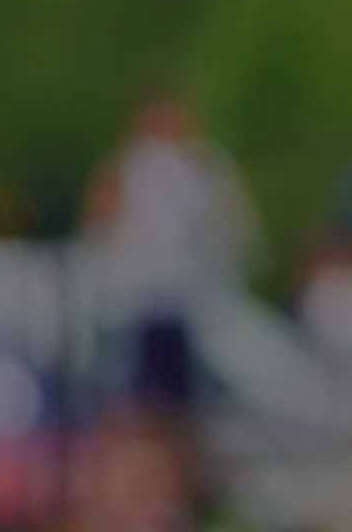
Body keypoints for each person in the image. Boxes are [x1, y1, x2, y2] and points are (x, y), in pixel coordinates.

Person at [80, 85, 260, 524]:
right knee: (143, 418)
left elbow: (235, 232)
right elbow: (99, 229)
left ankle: (173, 499)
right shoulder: (131, 168)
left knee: (172, 419)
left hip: (181, 311)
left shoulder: (202, 169)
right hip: (142, 310)